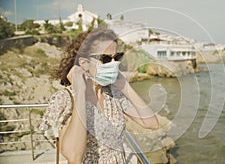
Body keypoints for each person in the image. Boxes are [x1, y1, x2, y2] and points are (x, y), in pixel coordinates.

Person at [39, 28, 159, 164]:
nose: (114, 64)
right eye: (106, 58)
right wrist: (80, 93)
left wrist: (124, 85)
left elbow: (151, 123)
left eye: (117, 57)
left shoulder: (113, 94)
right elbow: (74, 157)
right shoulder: (65, 99)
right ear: (84, 63)